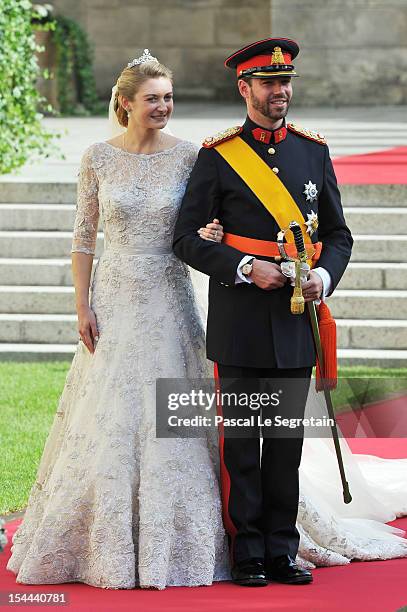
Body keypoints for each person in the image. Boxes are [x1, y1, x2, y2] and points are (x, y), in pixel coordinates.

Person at [172, 37, 406, 586]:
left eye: (286, 82)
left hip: (298, 320)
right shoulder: (218, 155)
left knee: (284, 446)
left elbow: (339, 235)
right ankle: (247, 551)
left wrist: (325, 275)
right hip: (240, 321)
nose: (281, 91)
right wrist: (246, 266)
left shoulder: (313, 151)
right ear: (245, 88)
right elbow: (186, 239)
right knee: (242, 446)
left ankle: (282, 548)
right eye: (270, 83)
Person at [6, 50, 231, 590]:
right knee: (107, 412)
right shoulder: (97, 157)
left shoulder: (192, 157)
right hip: (113, 297)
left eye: (168, 98)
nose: (163, 107)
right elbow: (84, 237)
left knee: (170, 409)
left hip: (169, 296)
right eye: (152, 98)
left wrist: (209, 238)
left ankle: (177, 535)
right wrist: (81, 304)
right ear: (125, 103)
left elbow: (197, 227)